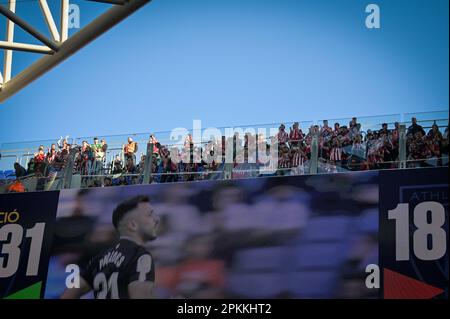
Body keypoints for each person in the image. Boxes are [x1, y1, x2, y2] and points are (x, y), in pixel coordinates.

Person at [60, 195, 160, 299]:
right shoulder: (140, 256)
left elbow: (67, 296)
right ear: (133, 225)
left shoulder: (99, 259)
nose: (156, 219)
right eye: (149, 215)